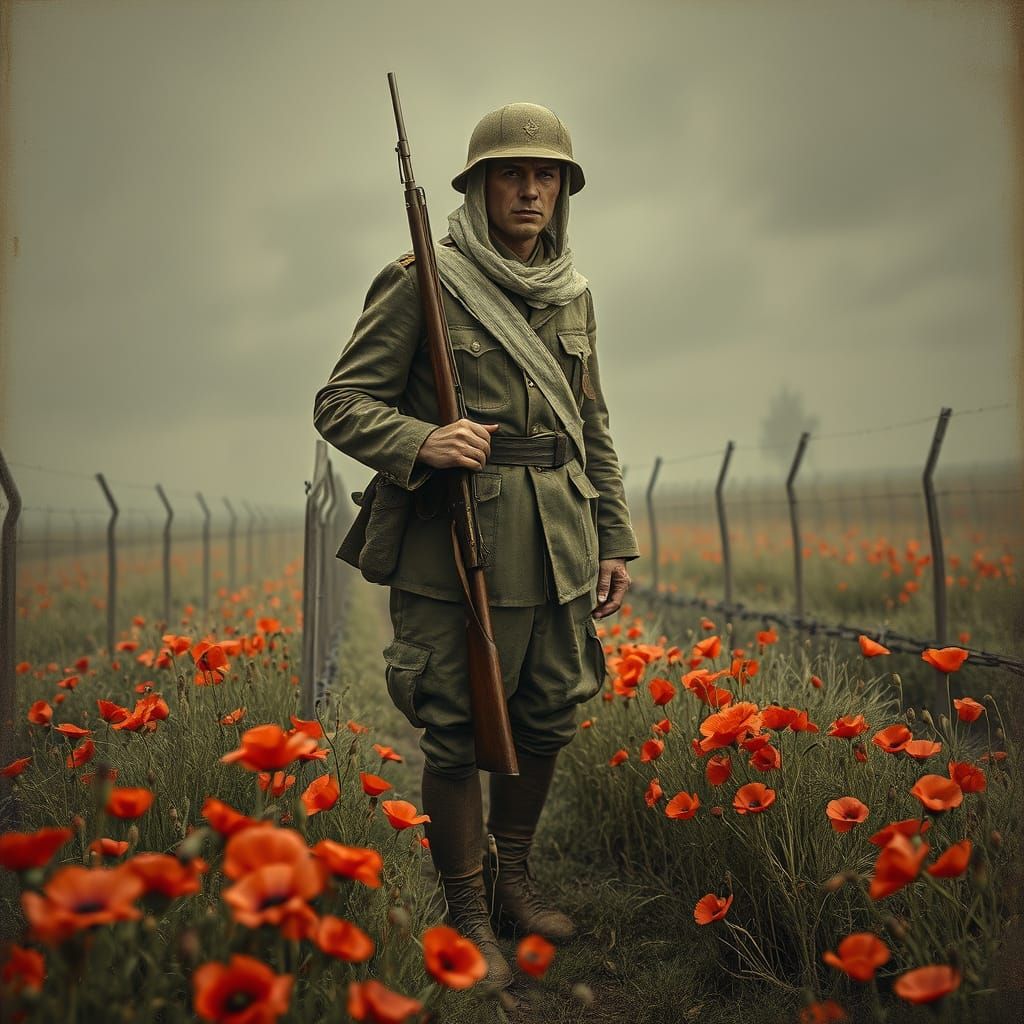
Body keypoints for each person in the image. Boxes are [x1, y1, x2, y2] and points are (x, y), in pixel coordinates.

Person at [313, 101, 638, 989]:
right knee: (455, 733)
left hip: (561, 541)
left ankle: (513, 880)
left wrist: (614, 536)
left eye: (546, 176)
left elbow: (591, 424)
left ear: (563, 191)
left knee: (545, 720)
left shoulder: (573, 293)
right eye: (511, 173)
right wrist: (422, 440)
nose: (529, 189)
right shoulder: (422, 278)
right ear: (479, 186)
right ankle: (464, 906)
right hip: (452, 543)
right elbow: (339, 402)